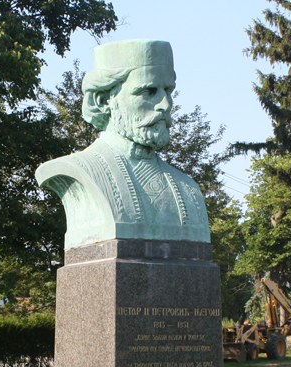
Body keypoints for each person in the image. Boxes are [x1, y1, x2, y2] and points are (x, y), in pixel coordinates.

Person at [36, 39, 210, 249]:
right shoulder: (78, 169)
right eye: (149, 91)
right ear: (103, 100)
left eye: (168, 91)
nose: (165, 104)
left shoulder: (188, 189)